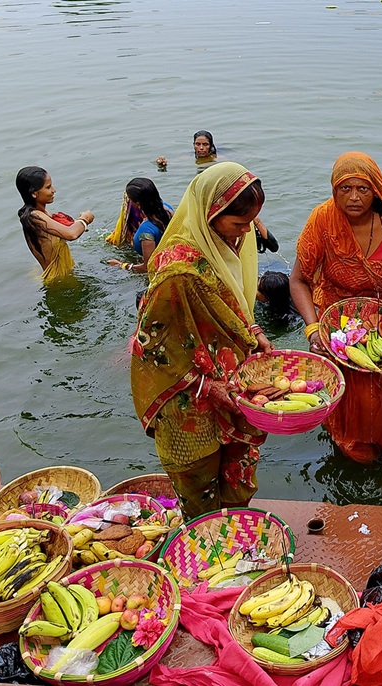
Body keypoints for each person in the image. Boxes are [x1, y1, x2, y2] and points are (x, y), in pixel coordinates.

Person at [129, 162, 274, 520]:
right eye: (238, 224)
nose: (243, 235)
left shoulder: (222, 247)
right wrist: (208, 387)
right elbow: (151, 347)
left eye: (249, 224)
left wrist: (253, 332)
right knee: (200, 490)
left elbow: (231, 305)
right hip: (186, 398)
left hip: (230, 379)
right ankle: (205, 549)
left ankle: (235, 537)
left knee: (237, 479)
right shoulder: (177, 271)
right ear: (211, 213)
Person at [291, 152, 382, 464]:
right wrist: (313, 327)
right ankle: (352, 450)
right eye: (345, 189)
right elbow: (299, 280)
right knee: (350, 395)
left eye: (363, 189)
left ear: (377, 190)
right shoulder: (322, 220)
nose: (354, 198)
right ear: (334, 191)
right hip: (337, 324)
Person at [15, 166, 94, 283]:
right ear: (34, 193)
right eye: (48, 187)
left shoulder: (43, 213)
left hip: (63, 275)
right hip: (58, 281)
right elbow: (71, 234)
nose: (53, 190)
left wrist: (77, 225)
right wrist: (85, 219)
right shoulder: (34, 217)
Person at [104, 178, 173, 273]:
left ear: (138, 204)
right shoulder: (168, 209)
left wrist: (122, 265)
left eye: (130, 199)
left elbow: (148, 267)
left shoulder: (146, 231)